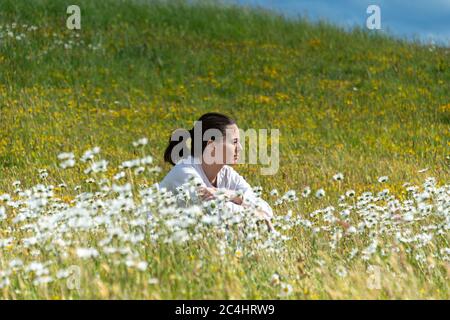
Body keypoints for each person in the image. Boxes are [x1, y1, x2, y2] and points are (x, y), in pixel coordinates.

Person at [159, 112, 274, 231]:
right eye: (234, 142)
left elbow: (267, 210)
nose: (239, 147)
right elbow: (218, 212)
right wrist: (257, 215)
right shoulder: (185, 172)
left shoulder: (227, 174)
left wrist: (231, 195)